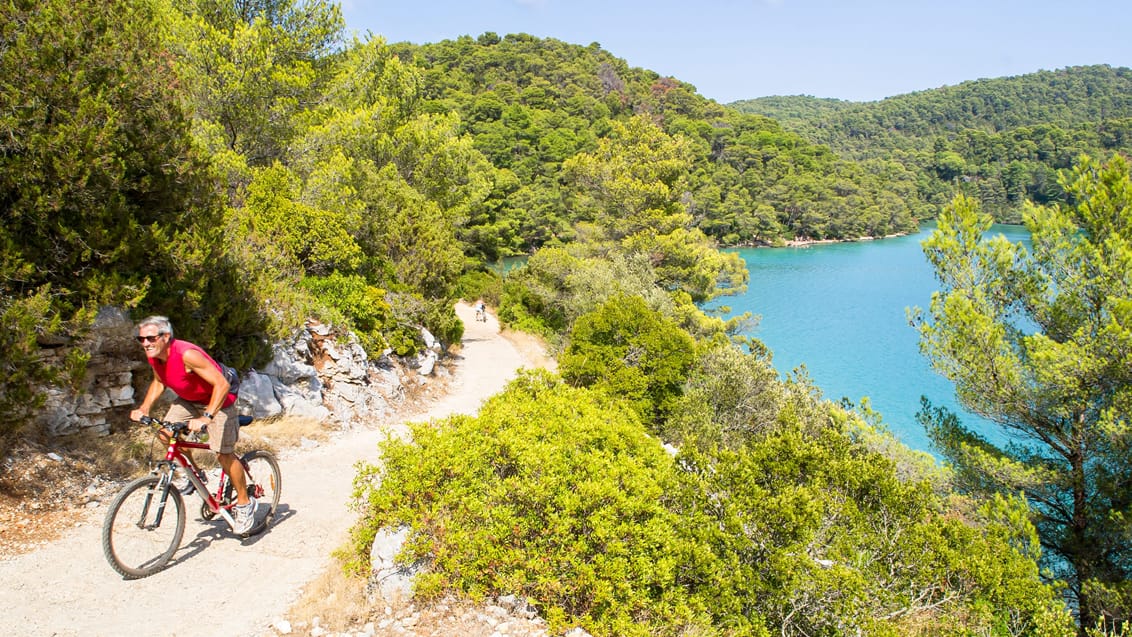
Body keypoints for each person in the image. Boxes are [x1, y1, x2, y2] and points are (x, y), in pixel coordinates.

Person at [128, 315, 257, 534]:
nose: (145, 344)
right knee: (165, 434)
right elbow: (159, 382)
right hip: (189, 400)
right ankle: (197, 475)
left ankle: (245, 504)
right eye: (141, 340)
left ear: (165, 337)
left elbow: (222, 384)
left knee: (223, 454)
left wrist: (207, 417)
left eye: (150, 338)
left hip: (219, 401)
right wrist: (144, 408)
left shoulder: (187, 355)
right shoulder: (155, 356)